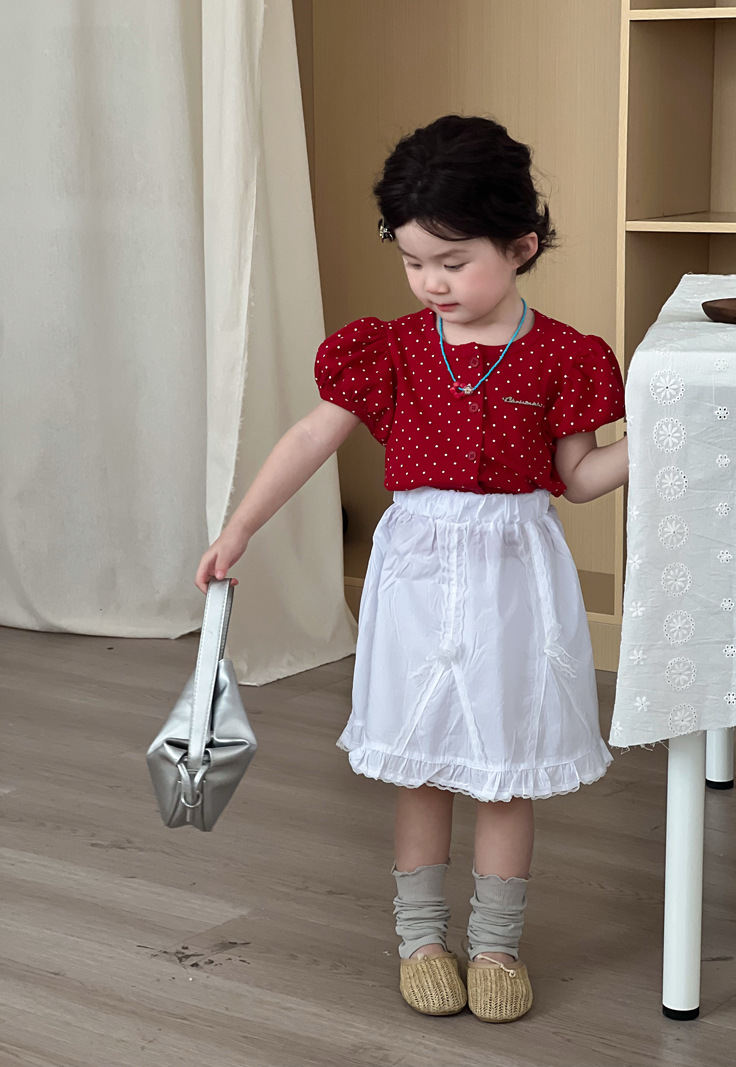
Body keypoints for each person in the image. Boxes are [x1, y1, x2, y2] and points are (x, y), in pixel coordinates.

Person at [195, 115, 628, 1024]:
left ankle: (497, 944)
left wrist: (666, 437)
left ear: (521, 246)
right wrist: (240, 527)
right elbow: (312, 436)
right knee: (422, 762)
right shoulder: (389, 350)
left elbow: (583, 476)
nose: (432, 282)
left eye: (453, 262)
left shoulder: (564, 354)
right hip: (419, 578)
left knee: (505, 765)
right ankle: (422, 937)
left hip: (515, 579)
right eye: (413, 261)